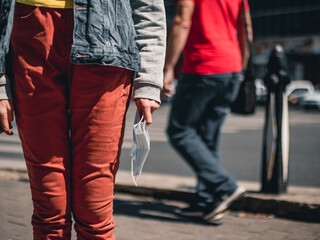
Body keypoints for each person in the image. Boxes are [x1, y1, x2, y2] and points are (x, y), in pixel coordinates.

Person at [0, 0, 166, 239]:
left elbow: (147, 6)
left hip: (107, 45)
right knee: (50, 207)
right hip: (31, 38)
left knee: (94, 207)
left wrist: (149, 80)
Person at [162, 0, 253, 222]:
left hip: (203, 65)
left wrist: (168, 67)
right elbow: (246, 26)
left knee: (179, 131)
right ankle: (208, 202)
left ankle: (225, 186)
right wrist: (242, 63)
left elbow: (182, 21)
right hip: (231, 67)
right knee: (207, 137)